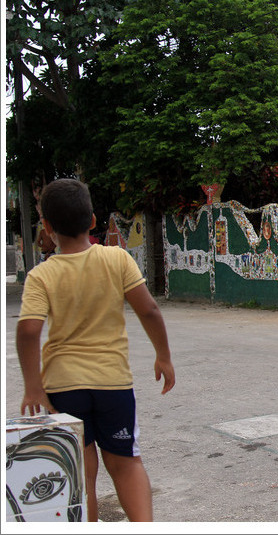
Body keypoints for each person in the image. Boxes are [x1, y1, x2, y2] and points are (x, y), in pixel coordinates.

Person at [16, 178, 175, 522]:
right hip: (112, 383)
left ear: (46, 226)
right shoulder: (116, 259)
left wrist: (33, 386)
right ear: (92, 220)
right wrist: (163, 355)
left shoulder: (42, 275)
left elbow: (29, 330)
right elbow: (149, 309)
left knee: (82, 472)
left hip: (63, 386)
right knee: (125, 462)